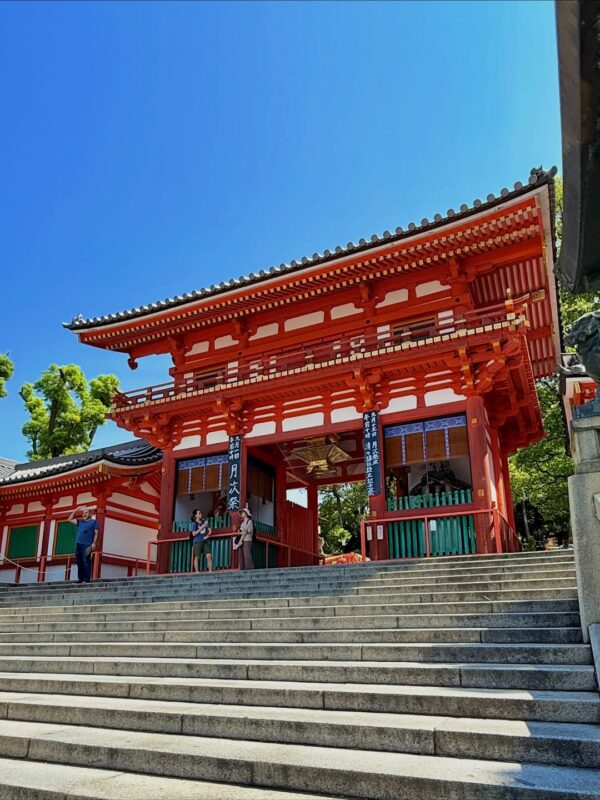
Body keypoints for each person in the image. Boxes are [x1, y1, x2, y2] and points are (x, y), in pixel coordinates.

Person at [67, 506, 99, 584]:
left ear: (90, 513)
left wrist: (94, 543)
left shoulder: (94, 522)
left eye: (86, 512)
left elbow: (96, 533)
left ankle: (86, 579)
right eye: (83, 513)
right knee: (79, 562)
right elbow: (69, 519)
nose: (84, 514)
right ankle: (80, 579)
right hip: (78, 544)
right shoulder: (80, 522)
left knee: (86, 561)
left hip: (87, 545)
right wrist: (76, 509)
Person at [190, 509, 213, 573]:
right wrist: (202, 528)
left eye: (201, 513)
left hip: (205, 540)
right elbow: (193, 533)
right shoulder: (194, 523)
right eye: (199, 513)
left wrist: (208, 534)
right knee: (197, 556)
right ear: (195, 515)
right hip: (197, 541)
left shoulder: (203, 522)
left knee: (209, 555)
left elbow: (209, 530)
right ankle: (197, 572)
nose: (201, 514)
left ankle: (210, 571)